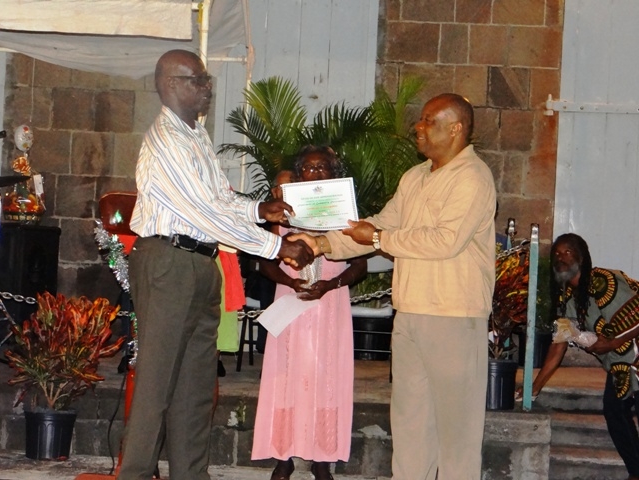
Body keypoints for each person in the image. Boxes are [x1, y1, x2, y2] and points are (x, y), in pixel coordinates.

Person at [117, 49, 313, 480]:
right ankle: (133, 474)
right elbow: (202, 211)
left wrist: (261, 209)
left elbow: (219, 199)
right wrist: (275, 248)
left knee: (195, 388)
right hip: (168, 262)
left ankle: (191, 474)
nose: (207, 87)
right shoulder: (167, 140)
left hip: (200, 264)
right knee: (157, 384)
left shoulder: (194, 135)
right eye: (198, 80)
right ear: (170, 85)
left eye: (206, 80)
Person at [289, 93, 496, 479]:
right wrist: (320, 244)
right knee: (411, 427)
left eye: (429, 121)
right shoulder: (415, 177)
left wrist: (381, 239)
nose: (418, 127)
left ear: (456, 129)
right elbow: (377, 225)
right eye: (420, 119)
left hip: (453, 317)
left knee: (457, 436)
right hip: (411, 316)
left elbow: (444, 241)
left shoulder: (473, 178)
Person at [251, 146, 367, 480]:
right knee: (286, 377)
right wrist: (290, 280)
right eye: (309, 168)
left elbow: (360, 265)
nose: (315, 173)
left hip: (331, 303)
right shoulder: (283, 215)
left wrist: (331, 286)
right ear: (299, 175)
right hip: (292, 299)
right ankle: (284, 456)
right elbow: (264, 263)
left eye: (323, 168)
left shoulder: (347, 215)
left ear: (333, 173)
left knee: (327, 378)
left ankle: (322, 458)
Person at [521, 233, 639, 480]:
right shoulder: (570, 299)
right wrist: (534, 387)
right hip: (621, 366)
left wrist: (611, 343)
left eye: (567, 252)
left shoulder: (605, 280)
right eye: (556, 253)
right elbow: (559, 345)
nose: (560, 258)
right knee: (615, 412)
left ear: (581, 257)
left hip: (632, 359)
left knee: (617, 410)